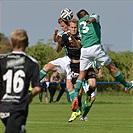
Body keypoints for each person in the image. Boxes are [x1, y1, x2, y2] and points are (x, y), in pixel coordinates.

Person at [72, 9, 133, 110]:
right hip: (95, 48)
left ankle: (75, 97)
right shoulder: (92, 16)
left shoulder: (79, 24)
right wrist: (91, 20)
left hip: (84, 51)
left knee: (81, 75)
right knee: (111, 67)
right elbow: (94, 17)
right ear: (86, 14)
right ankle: (126, 85)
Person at [0, 29, 41, 133]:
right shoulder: (31, 63)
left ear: (11, 43)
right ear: (27, 43)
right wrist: (29, 98)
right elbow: (37, 88)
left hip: (3, 107)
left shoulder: (3, 61)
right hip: (18, 107)